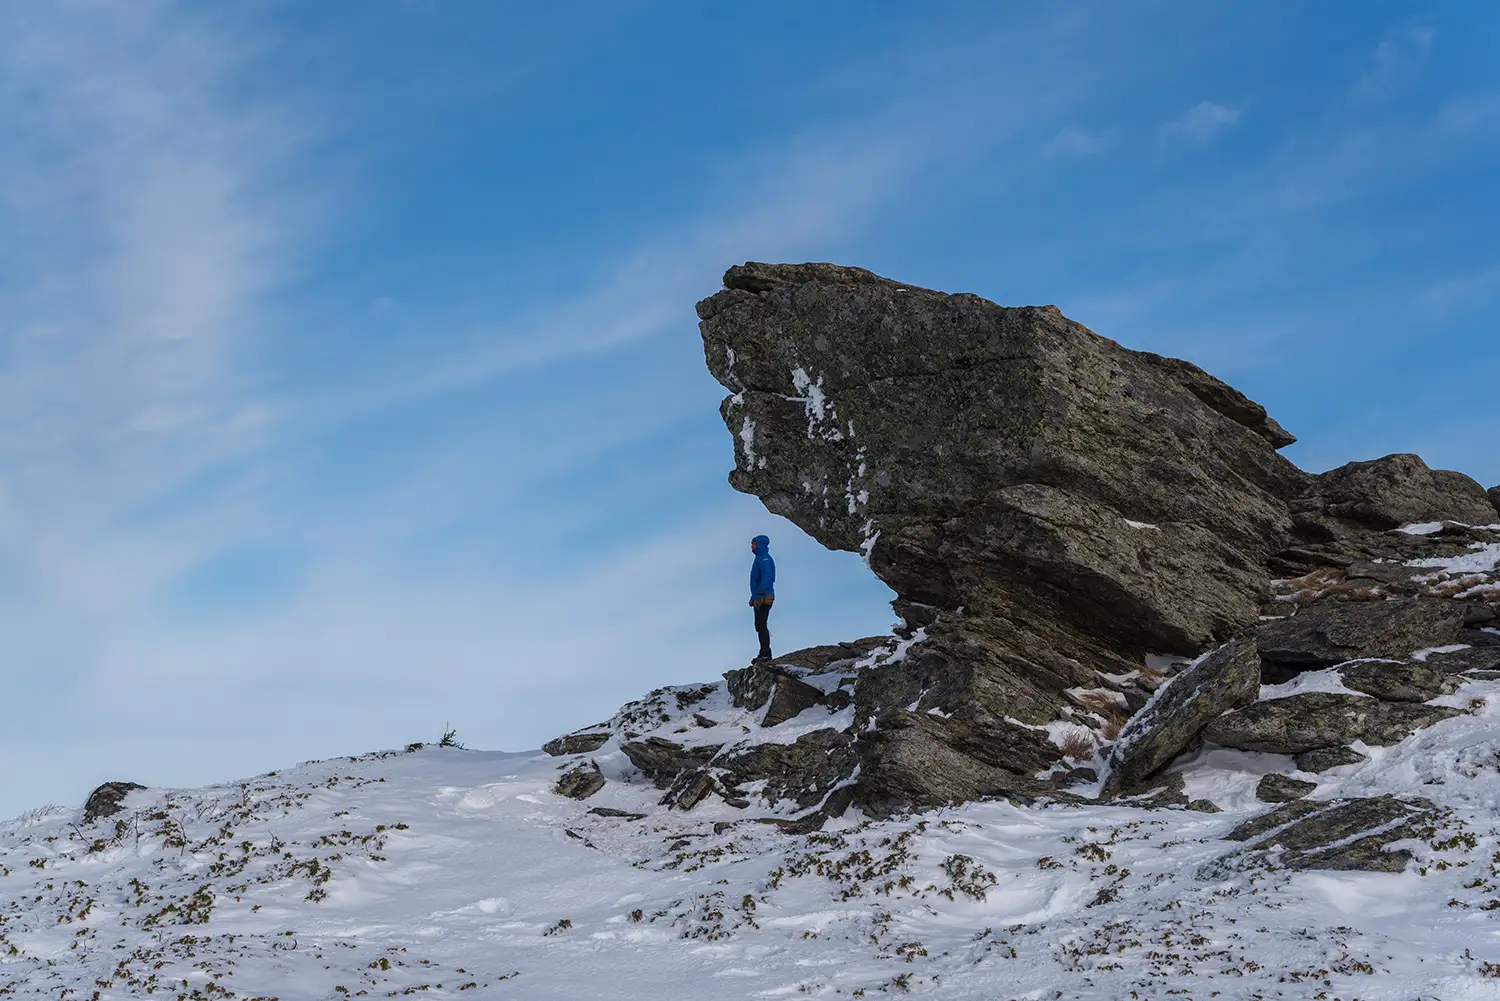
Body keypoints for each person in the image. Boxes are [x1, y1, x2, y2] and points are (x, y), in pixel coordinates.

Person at [749, 535, 776, 662]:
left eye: (754, 544)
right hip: (760, 596)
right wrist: (753, 597)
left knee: (761, 624)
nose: (752, 546)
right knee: (759, 625)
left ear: (760, 545)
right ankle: (764, 652)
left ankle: (765, 653)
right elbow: (757, 580)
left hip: (764, 597)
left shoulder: (764, 558)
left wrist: (759, 595)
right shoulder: (760, 558)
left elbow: (767, 578)